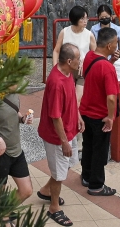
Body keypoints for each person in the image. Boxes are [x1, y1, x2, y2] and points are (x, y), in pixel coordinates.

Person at [36, 43, 84, 226]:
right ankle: (54, 207)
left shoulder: (67, 73)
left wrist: (78, 116)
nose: (80, 61)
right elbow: (55, 116)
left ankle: (46, 190)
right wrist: (64, 142)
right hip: (57, 136)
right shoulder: (56, 82)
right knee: (59, 174)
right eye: (78, 58)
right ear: (70, 61)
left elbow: (71, 97)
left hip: (69, 129)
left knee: (63, 168)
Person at [79, 27, 120, 196]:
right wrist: (110, 118)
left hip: (86, 111)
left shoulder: (90, 56)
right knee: (99, 151)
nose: (117, 47)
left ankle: (86, 176)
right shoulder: (108, 69)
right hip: (100, 116)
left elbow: (96, 73)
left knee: (88, 145)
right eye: (116, 43)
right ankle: (96, 185)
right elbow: (111, 98)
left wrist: (109, 61)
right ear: (109, 45)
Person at [0, 89, 34, 201]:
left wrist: (22, 119)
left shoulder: (14, 93)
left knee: (26, 191)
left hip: (17, 151)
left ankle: (4, 212)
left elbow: (13, 112)